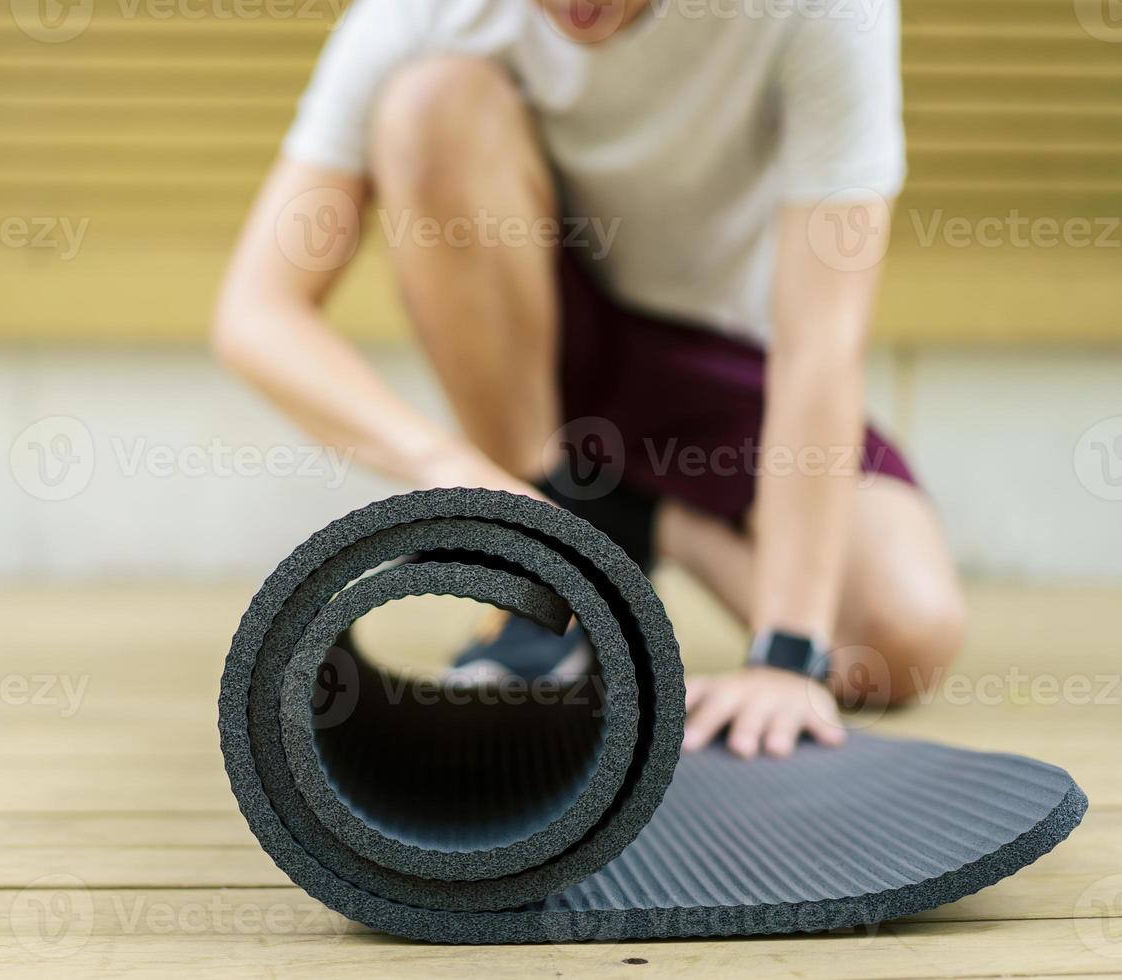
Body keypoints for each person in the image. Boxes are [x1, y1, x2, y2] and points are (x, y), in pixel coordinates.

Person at [212, 0, 966, 758]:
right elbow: (256, 311)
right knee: (429, 102)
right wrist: (461, 475)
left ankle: (624, 518)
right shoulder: (421, 12)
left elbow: (821, 344)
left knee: (898, 640)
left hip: (726, 368)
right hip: (536, 355)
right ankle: (543, 538)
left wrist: (784, 655)